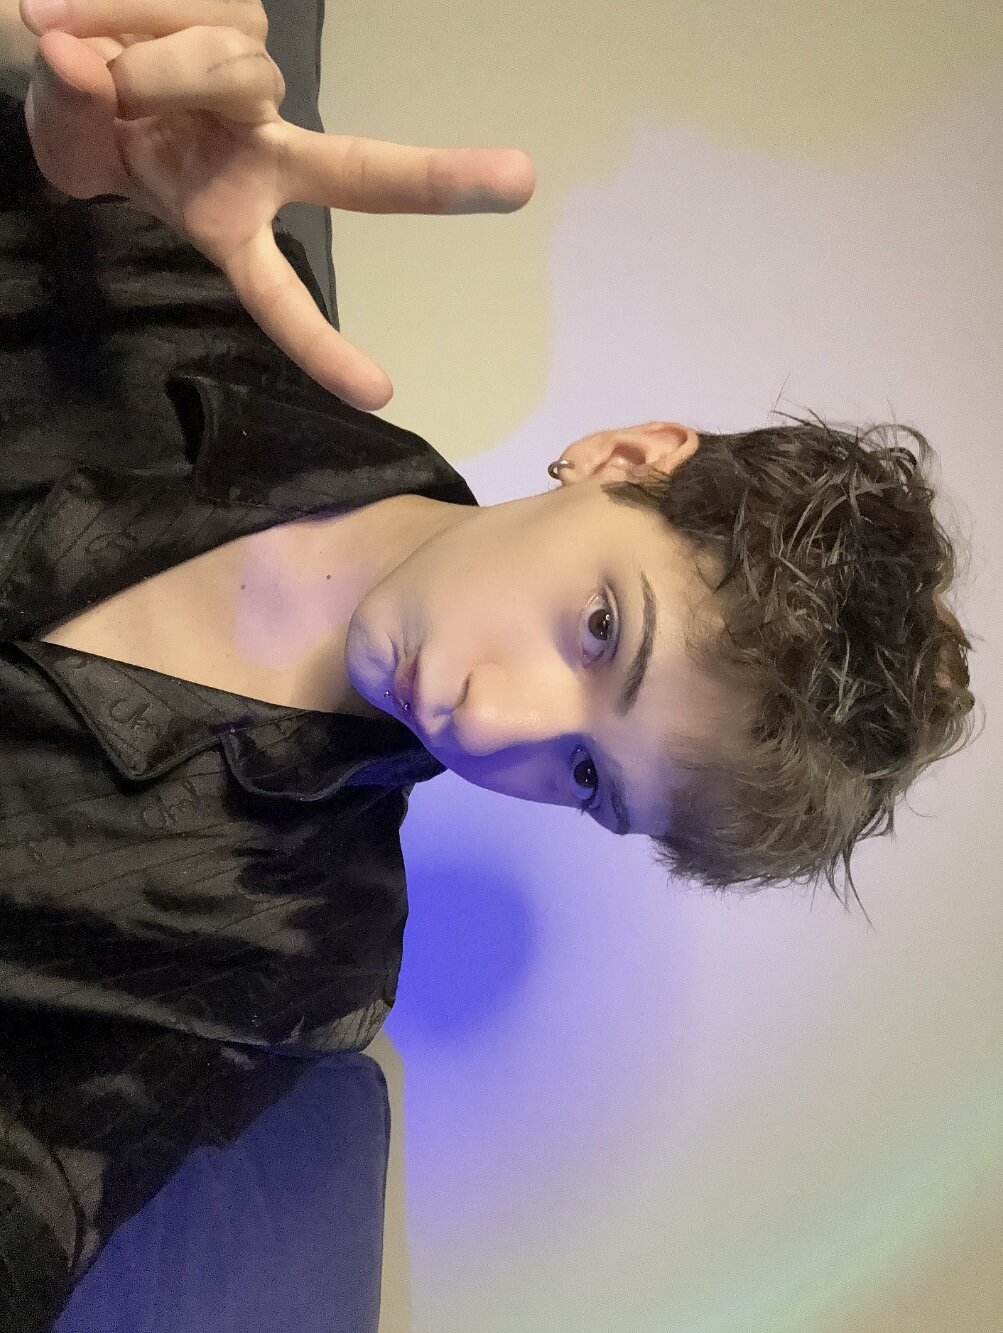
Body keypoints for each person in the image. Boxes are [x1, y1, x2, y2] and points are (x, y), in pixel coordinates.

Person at [0, 1, 979, 1328]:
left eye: (587, 778)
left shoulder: (294, 952)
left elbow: (33, 1192)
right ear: (626, 457)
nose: (494, 720)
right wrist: (39, 106)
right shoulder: (207, 265)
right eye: (602, 631)